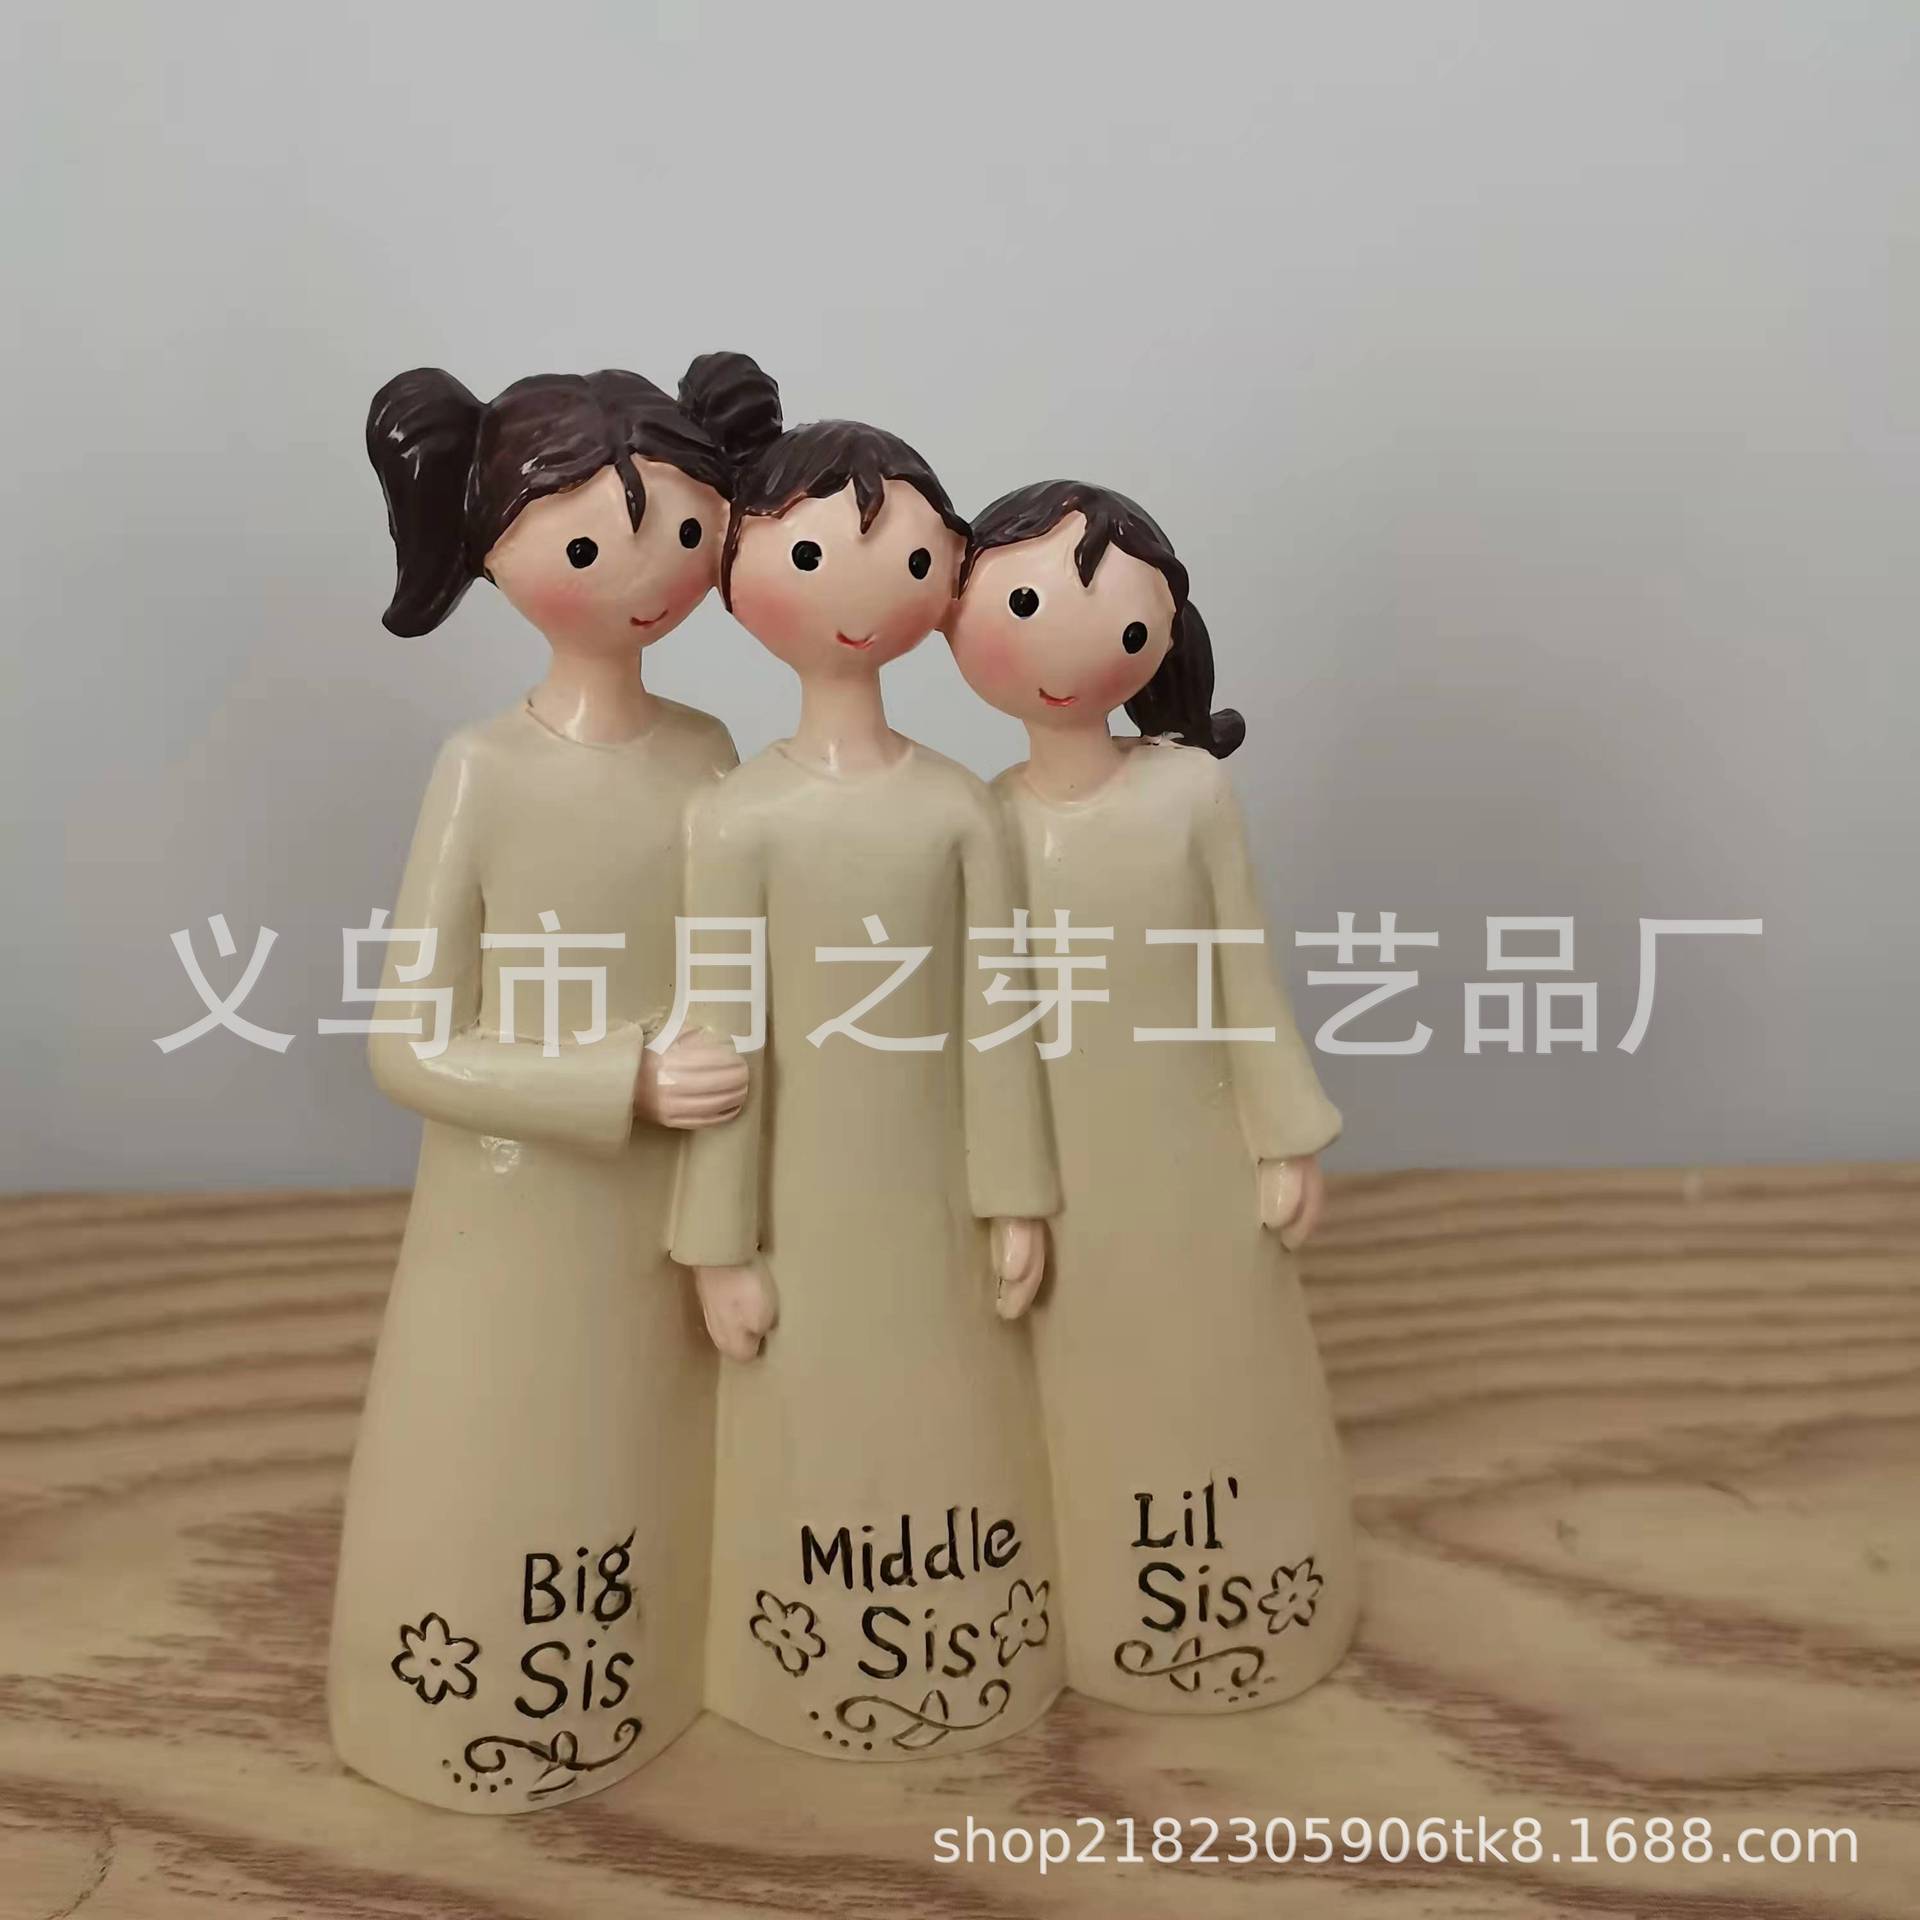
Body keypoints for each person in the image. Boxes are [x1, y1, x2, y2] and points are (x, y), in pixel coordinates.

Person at [329, 355, 774, 1809]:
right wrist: (615, 1080)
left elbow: (738, 983)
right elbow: (409, 1042)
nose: (648, 576)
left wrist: (723, 1201)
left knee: (655, 1465)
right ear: (490, 548)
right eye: (589, 545)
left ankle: (643, 1672)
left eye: (686, 534)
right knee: (504, 1459)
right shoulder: (484, 769)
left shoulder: (711, 756)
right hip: (515, 1214)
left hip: (676, 1205)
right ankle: (469, 1700)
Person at [667, 408, 1065, 1758]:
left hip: (936, 1197)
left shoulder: (960, 808)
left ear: (947, 574)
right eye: (810, 553)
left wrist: (1016, 1193)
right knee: (806, 1431)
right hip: (798, 1209)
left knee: (953, 1415)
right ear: (737, 573)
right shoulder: (738, 817)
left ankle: (969, 1624)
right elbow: (721, 1038)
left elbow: (1002, 1014)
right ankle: (797, 1653)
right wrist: (719, 1245)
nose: (859, 590)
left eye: (904, 557)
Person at [944, 479, 1356, 1712]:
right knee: (1082, 1389)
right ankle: (1110, 1599)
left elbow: (1246, 974)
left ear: (1162, 636)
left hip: (1196, 1146)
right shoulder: (982, 822)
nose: (1069, 650)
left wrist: (1285, 1134)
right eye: (1023, 604)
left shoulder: (1189, 793)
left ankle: (1249, 1578)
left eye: (1122, 623)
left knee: (1223, 1361)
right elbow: (988, 1026)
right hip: (1068, 1162)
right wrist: (1009, 1193)